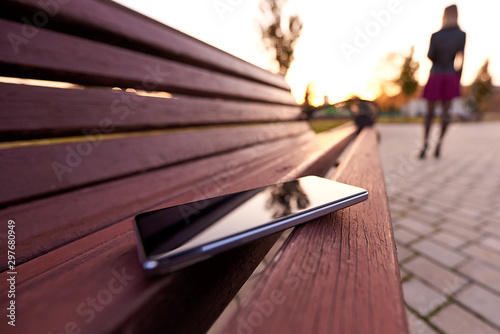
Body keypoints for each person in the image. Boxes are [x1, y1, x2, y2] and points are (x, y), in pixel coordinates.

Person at [420, 4, 466, 159]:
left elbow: (430, 55)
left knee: (429, 114)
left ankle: (424, 146)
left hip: (435, 75)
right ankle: (438, 146)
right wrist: (457, 79)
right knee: (446, 114)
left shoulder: (436, 35)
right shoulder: (461, 35)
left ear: (444, 15)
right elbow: (461, 59)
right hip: (450, 76)